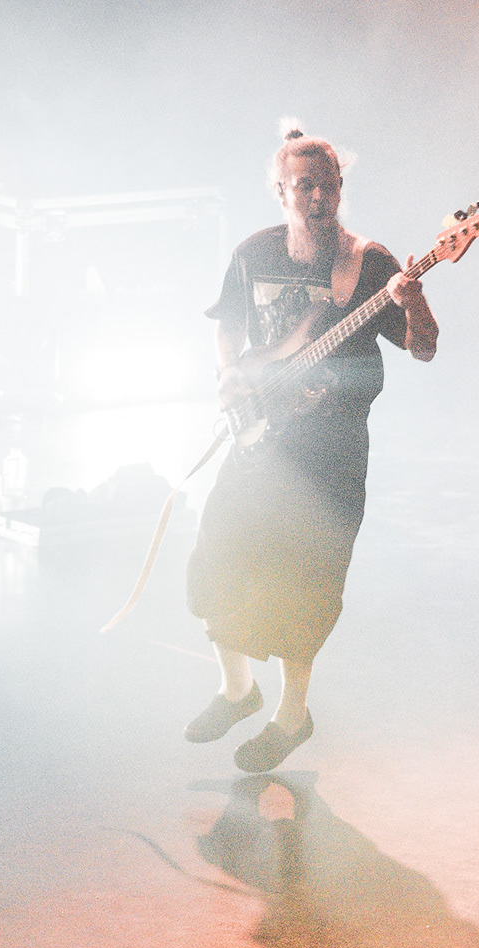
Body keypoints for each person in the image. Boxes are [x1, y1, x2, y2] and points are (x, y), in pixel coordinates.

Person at [184, 126, 439, 773]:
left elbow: (425, 348)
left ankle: (292, 716)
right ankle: (236, 690)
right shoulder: (254, 252)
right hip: (259, 436)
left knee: (306, 582)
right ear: (281, 191)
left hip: (331, 451)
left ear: (341, 189)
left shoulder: (369, 264)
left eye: (329, 186)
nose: (319, 197)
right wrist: (229, 375)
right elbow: (228, 327)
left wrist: (414, 302)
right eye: (305, 187)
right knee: (217, 557)